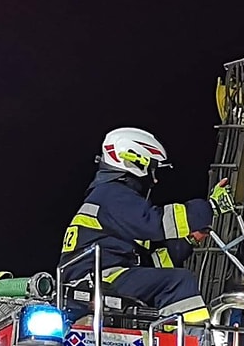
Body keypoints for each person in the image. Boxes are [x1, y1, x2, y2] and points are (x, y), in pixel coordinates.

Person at [58, 126, 234, 324]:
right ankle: (195, 338)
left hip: (96, 279)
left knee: (170, 279)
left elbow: (153, 256)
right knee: (178, 282)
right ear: (135, 162)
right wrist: (211, 207)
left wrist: (190, 240)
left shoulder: (109, 199)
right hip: (100, 280)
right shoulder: (113, 194)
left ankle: (177, 336)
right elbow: (156, 223)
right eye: (152, 169)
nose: (155, 179)